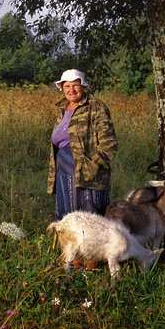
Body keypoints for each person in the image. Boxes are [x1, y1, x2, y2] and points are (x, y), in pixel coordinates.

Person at [47, 69, 117, 222]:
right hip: (64, 172)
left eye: (75, 85)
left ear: (83, 86)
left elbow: (109, 142)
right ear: (62, 88)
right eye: (67, 86)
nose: (71, 90)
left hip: (88, 173)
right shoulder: (63, 109)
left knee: (90, 218)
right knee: (69, 216)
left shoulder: (95, 106)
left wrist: (93, 163)